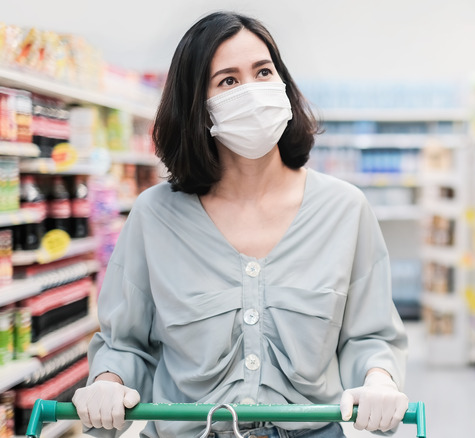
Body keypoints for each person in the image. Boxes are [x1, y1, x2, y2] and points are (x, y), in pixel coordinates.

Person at [71, 11, 409, 438]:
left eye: (263, 72)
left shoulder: (345, 209)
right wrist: (107, 383)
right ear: (198, 106)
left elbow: (369, 335)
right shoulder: (154, 216)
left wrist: (379, 379)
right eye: (228, 80)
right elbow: (126, 344)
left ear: (283, 84)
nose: (252, 92)